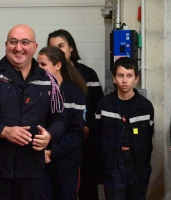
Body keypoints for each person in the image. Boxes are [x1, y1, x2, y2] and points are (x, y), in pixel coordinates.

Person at [0, 24, 66, 200]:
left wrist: (49, 136)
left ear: (34, 47)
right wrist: (3, 131)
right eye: (13, 42)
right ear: (6, 45)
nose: (18, 48)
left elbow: (60, 120)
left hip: (31, 171)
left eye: (24, 42)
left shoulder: (48, 80)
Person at [47, 29, 104, 200]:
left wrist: (88, 128)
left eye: (61, 46)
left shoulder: (88, 74)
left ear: (71, 47)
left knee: (86, 188)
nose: (58, 50)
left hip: (84, 143)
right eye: (53, 47)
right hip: (57, 144)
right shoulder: (47, 76)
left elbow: (98, 106)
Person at [96, 57, 154, 200]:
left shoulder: (145, 107)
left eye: (129, 76)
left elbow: (148, 137)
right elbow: (97, 135)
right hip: (113, 162)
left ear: (136, 78)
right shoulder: (104, 104)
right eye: (120, 75)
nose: (124, 80)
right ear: (114, 78)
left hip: (137, 162)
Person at [37, 46, 87, 200]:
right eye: (37, 64)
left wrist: (53, 152)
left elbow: (77, 133)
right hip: (40, 162)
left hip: (67, 163)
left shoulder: (75, 93)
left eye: (43, 65)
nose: (39, 69)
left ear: (58, 65)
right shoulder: (35, 91)